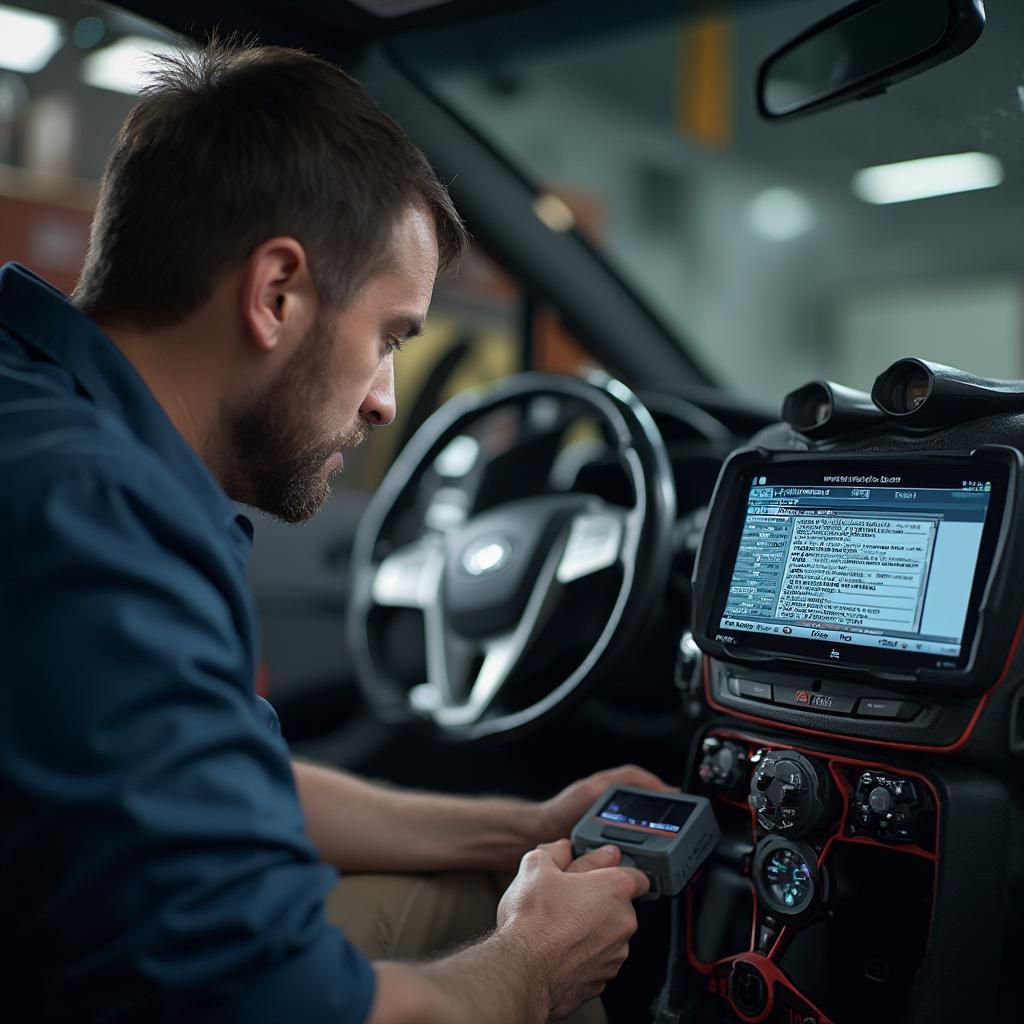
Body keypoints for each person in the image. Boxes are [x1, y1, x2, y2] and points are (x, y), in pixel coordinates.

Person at [0, 40, 672, 1023]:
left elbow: (215, 779)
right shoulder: (99, 517)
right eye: (391, 336)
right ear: (276, 293)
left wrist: (522, 825)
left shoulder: (46, 414)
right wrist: (534, 965)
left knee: (464, 900)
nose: (387, 402)